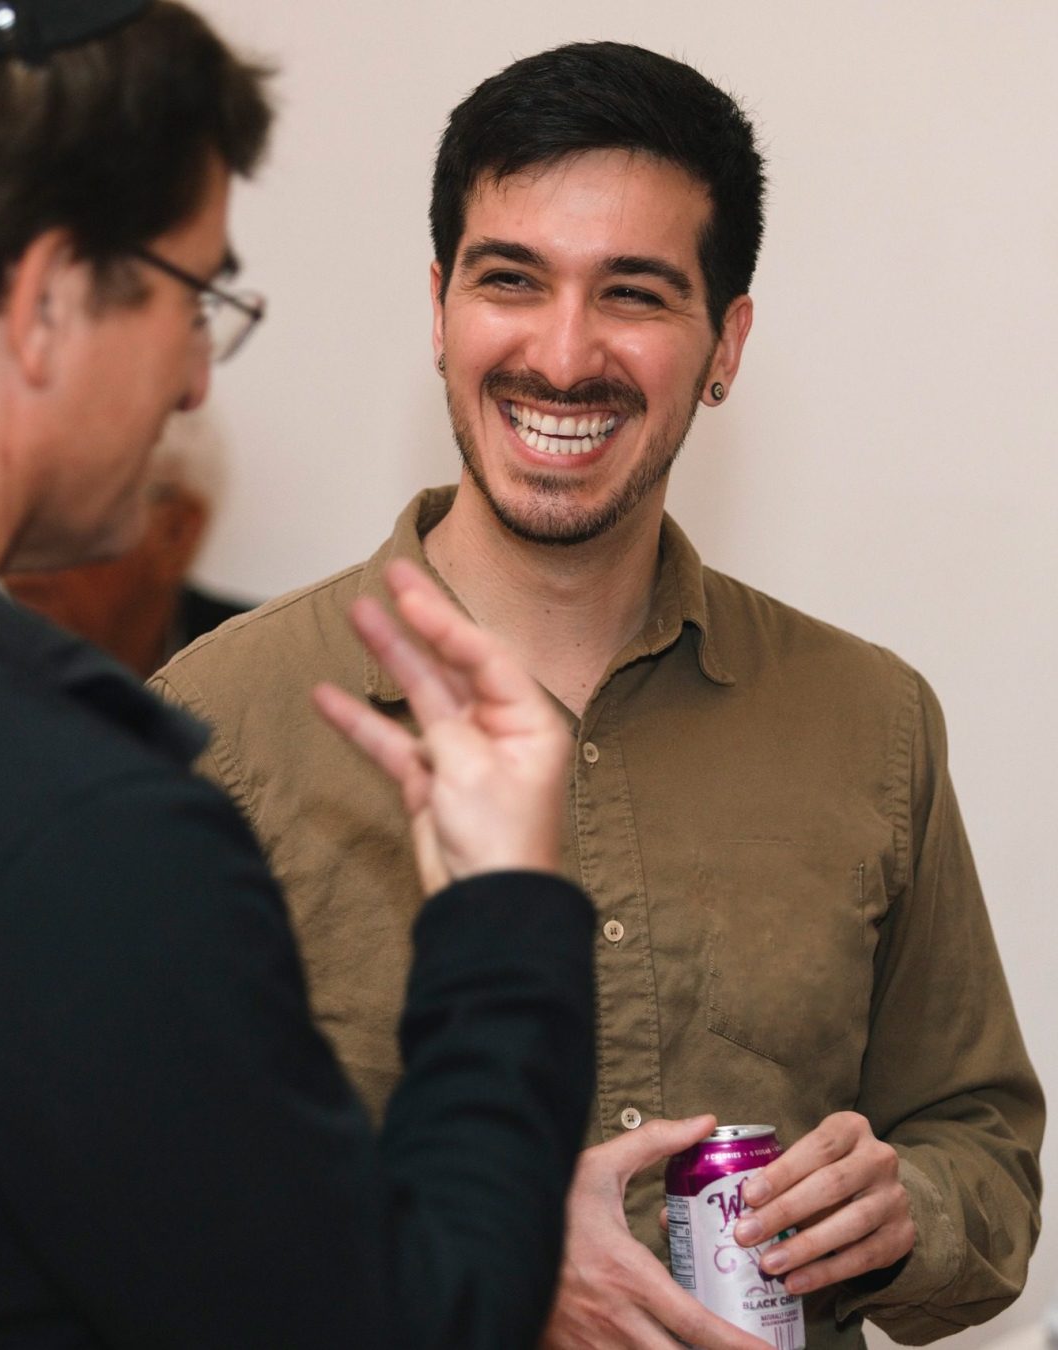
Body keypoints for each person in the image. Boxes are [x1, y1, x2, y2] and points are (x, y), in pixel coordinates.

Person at [151, 40, 1045, 1350]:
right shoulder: (215, 723)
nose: (563, 356)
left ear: (725, 344)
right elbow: (133, 1208)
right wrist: (473, 1254)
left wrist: (902, 1206)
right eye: (512, 279)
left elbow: (986, 1153)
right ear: (441, 302)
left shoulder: (872, 721)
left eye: (633, 293)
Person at [0, 5, 601, 1346]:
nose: (197, 382)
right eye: (194, 294)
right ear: (43, 305)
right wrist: (503, 915)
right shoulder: (86, 825)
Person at [4, 414, 255, 677]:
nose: (20, 546)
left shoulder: (264, 669)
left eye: (68, 505)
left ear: (174, 532)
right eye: (12, 501)